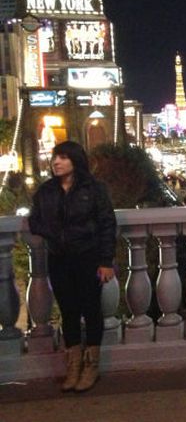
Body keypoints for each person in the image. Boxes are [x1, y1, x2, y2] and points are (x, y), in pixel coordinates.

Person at [28, 141, 116, 393]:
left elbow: (107, 224)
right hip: (59, 259)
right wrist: (56, 234)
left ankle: (91, 366)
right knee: (68, 312)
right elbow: (34, 221)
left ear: (76, 161)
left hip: (88, 257)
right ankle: (73, 366)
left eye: (63, 158)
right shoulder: (46, 191)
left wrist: (106, 261)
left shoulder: (94, 189)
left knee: (91, 309)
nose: (56, 162)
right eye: (55, 158)